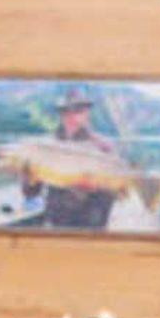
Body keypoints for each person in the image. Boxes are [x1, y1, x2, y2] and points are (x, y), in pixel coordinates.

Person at [40, 89, 122, 231]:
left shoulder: (104, 147)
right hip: (56, 224)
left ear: (87, 113)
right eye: (65, 111)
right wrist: (27, 176)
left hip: (90, 225)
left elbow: (115, 193)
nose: (71, 116)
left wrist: (91, 189)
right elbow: (30, 193)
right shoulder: (47, 146)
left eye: (77, 111)